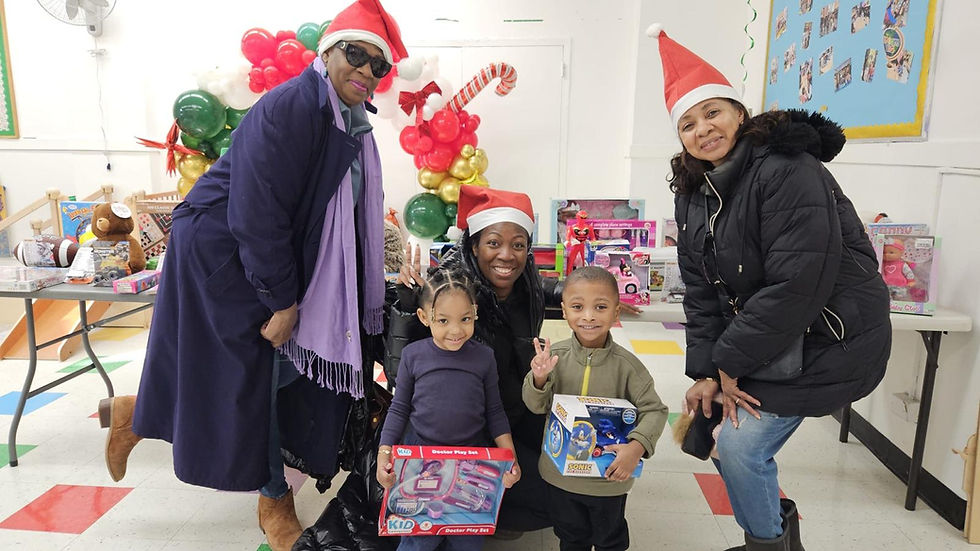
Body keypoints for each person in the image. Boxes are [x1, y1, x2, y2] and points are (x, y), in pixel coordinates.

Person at [97, 2, 408, 550]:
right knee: (262, 380)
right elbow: (257, 212)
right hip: (223, 251)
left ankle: (135, 415)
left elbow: (330, 212)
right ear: (327, 52)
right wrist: (284, 302)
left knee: (275, 375)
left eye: (377, 65)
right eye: (354, 54)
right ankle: (274, 503)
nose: (365, 70)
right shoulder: (295, 108)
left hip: (261, 254)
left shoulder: (350, 121)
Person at [648, 25, 891, 551]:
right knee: (712, 432)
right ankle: (777, 537)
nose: (703, 129)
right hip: (772, 340)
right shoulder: (694, 192)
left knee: (738, 448)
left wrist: (728, 363)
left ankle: (766, 542)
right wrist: (707, 370)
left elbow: (798, 282)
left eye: (713, 112)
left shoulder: (786, 168)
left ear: (740, 112)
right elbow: (700, 290)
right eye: (688, 123)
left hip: (830, 337)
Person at [388, 185, 558, 537]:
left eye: (518, 244)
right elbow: (401, 377)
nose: (507, 255)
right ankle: (469, 517)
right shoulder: (450, 293)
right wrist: (406, 303)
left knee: (564, 493)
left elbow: (564, 290)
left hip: (506, 417)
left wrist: (596, 297)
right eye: (494, 243)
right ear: (475, 245)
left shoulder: (528, 291)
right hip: (451, 429)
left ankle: (481, 515)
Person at [522, 266, 668, 551]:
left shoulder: (628, 367)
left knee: (609, 540)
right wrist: (539, 378)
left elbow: (655, 410)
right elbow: (535, 406)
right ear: (564, 311)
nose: (588, 316)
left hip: (608, 480)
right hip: (560, 478)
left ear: (616, 313)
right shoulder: (554, 357)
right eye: (578, 307)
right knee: (571, 538)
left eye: (600, 307)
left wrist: (636, 448)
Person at [377, 267, 521, 551]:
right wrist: (385, 454)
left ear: (475, 313)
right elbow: (398, 409)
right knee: (418, 538)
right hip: (419, 463)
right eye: (443, 320)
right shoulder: (412, 356)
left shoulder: (484, 357)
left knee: (467, 536)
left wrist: (510, 459)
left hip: (471, 463)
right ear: (424, 317)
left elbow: (494, 412)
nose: (456, 330)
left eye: (465, 319)